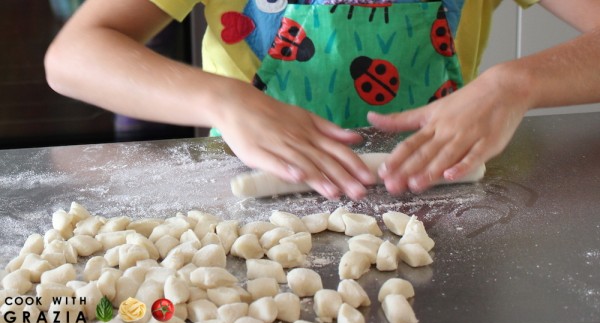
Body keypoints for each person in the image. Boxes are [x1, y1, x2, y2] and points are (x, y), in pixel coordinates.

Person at [44, 0, 600, 201]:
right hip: (252, 207)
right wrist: (221, 98)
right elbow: (73, 56)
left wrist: (515, 83)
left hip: (438, 202)